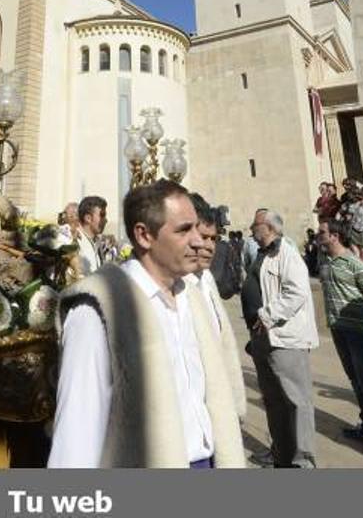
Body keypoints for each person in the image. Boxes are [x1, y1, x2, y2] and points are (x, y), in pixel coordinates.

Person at [48, 180, 245, 468]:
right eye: (183, 230)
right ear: (143, 235)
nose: (199, 241)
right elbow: (77, 437)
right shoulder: (98, 310)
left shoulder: (192, 296)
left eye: (197, 229)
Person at [243, 208, 318, 468]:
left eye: (255, 225)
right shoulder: (262, 254)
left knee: (297, 402)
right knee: (274, 402)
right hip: (264, 339)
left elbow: (296, 292)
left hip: (285, 340)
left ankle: (303, 462)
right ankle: (282, 456)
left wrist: (266, 316)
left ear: (269, 227)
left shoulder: (287, 252)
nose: (251, 229)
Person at [316, 220, 363, 455]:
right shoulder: (326, 263)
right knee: (355, 380)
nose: (318, 236)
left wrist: (362, 321)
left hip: (357, 332)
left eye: (322, 232)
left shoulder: (355, 264)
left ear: (335, 236)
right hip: (338, 329)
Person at [189, 194, 246, 420]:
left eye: (214, 239)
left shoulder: (207, 280)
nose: (210, 246)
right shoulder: (176, 286)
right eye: (204, 237)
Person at [338, 180, 363, 266]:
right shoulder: (346, 203)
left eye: (348, 186)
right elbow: (338, 214)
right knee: (355, 252)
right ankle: (359, 272)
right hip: (352, 230)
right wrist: (342, 220)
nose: (346, 188)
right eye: (344, 186)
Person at [73, 196, 107, 278]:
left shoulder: (96, 243)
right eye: (102, 215)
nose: (106, 220)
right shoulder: (74, 241)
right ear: (88, 218)